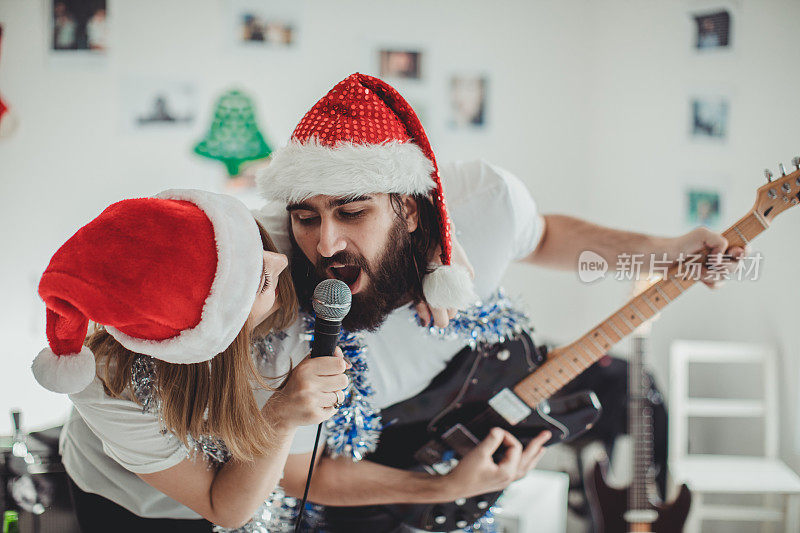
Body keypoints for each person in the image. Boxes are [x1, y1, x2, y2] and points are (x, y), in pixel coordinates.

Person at [253, 73, 746, 531]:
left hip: (481, 386)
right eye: (307, 218)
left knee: (626, 388)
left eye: (353, 212)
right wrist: (444, 487)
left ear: (408, 210)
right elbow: (299, 471)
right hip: (374, 488)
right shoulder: (279, 318)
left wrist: (664, 251)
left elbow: (545, 237)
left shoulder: (485, 204)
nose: (326, 245)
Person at [31, 189, 350, 532]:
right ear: (213, 331)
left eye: (259, 248)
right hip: (132, 508)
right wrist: (281, 416)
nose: (281, 260)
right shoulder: (106, 384)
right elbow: (224, 508)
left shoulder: (258, 248)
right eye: (261, 279)